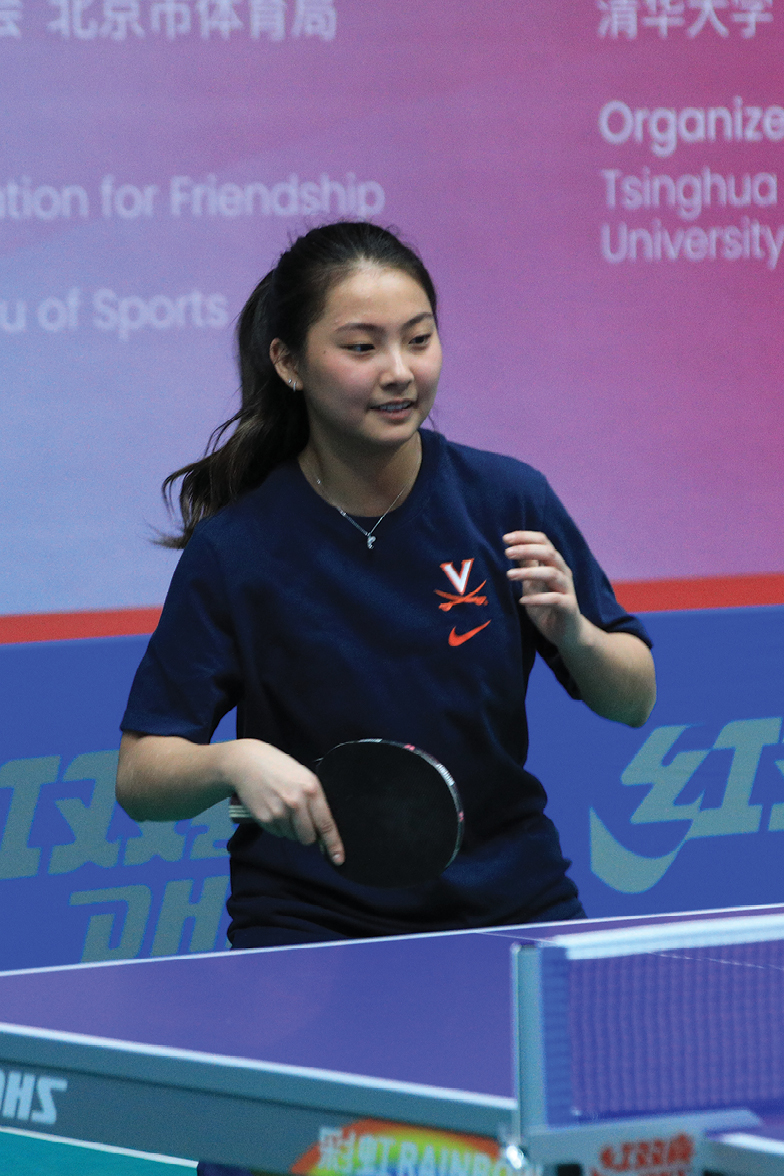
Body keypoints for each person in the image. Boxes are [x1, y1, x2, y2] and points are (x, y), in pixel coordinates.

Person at [117, 220, 654, 1176]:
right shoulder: (238, 552)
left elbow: (632, 697)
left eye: (420, 336)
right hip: (314, 928)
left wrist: (573, 631)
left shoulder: (503, 499)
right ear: (289, 361)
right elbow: (141, 773)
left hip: (506, 907)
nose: (399, 369)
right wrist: (229, 760)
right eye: (361, 346)